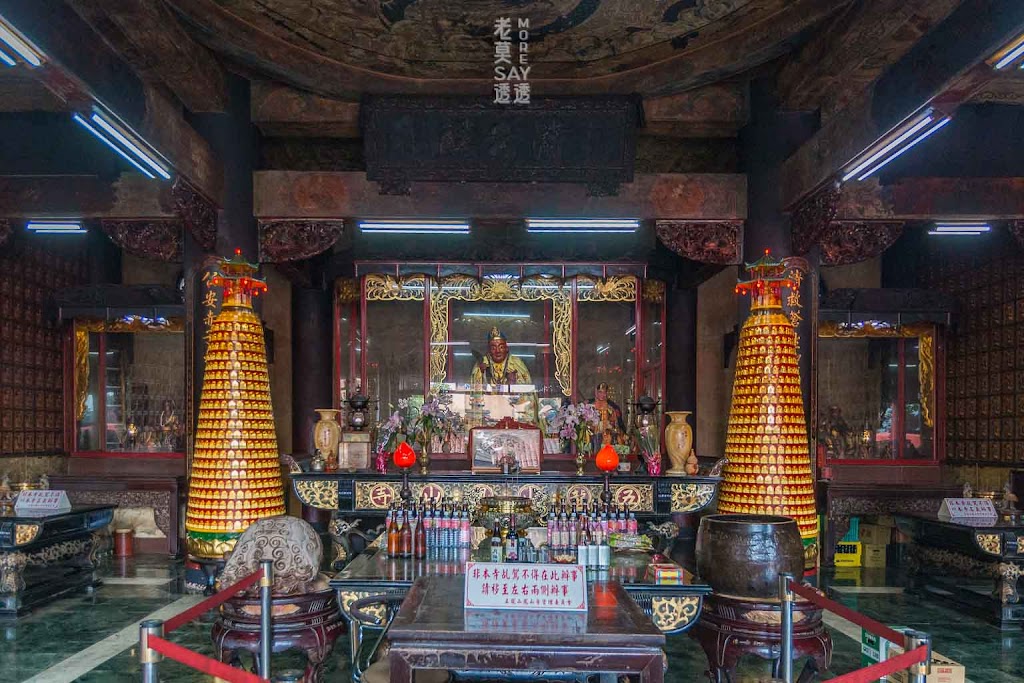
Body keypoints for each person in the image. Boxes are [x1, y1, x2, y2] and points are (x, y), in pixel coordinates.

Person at [592, 382, 627, 451]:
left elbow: (617, 423)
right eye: (600, 392)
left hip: (607, 433)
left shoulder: (612, 406)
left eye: (604, 392)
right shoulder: (591, 405)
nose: (602, 395)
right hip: (594, 434)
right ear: (596, 393)